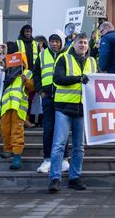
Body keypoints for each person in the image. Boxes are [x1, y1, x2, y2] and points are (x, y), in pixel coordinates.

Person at [48, 33, 97, 192]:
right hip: (63, 107)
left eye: (85, 43)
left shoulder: (92, 61)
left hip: (82, 109)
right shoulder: (63, 58)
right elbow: (58, 79)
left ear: (88, 46)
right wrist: (78, 78)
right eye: (80, 42)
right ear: (73, 44)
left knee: (79, 147)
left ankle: (74, 178)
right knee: (58, 145)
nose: (82, 45)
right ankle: (55, 178)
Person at [35, 31, 70, 174]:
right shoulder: (42, 55)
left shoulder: (68, 55)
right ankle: (47, 159)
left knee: (63, 129)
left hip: (64, 97)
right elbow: (36, 73)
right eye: (52, 41)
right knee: (48, 129)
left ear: (62, 41)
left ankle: (64, 159)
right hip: (48, 97)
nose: (54, 44)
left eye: (57, 41)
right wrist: (40, 91)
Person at [0, 51, 35, 170]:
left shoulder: (27, 73)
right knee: (4, 129)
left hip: (19, 108)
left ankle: (17, 155)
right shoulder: (7, 74)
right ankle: (8, 149)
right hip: (6, 107)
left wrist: (26, 80)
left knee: (17, 131)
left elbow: (32, 87)